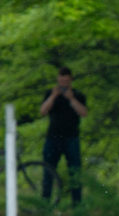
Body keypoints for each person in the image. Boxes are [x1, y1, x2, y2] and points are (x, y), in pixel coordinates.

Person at [40, 66, 88, 206]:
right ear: (58, 80)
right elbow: (43, 111)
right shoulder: (50, 93)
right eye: (61, 80)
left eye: (66, 81)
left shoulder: (78, 95)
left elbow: (84, 113)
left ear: (70, 80)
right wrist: (53, 96)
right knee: (48, 170)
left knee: (74, 171)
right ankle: (45, 203)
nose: (63, 83)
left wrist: (71, 99)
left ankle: (77, 204)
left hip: (71, 138)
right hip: (53, 138)